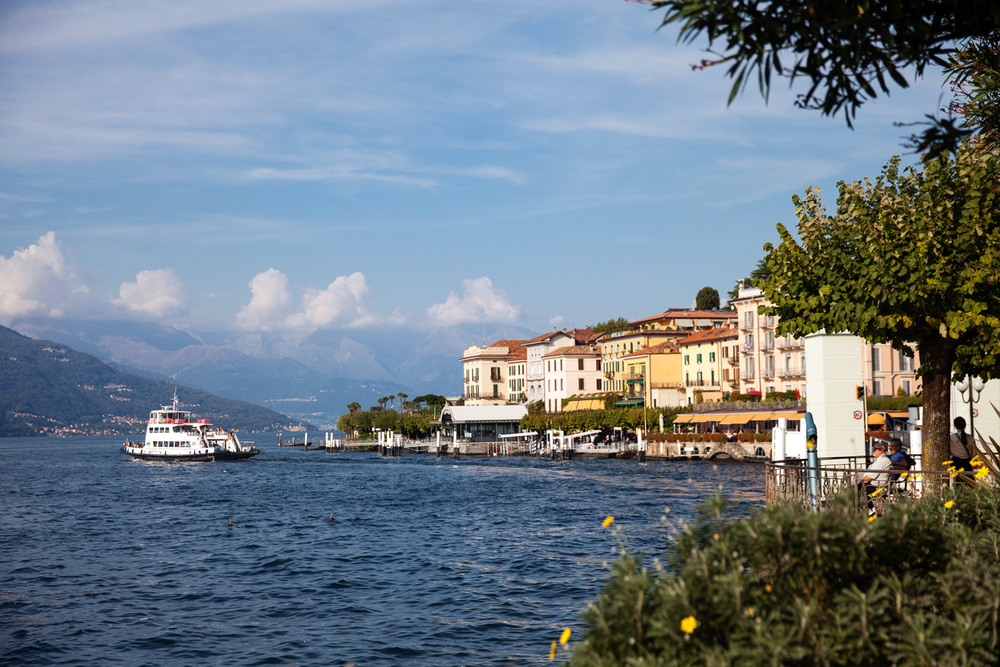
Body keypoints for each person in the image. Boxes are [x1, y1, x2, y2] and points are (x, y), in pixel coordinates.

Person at [857, 441, 892, 513]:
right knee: (856, 489)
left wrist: (859, 484)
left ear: (881, 451)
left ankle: (861, 510)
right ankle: (869, 509)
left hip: (877, 486)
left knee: (854, 490)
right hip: (875, 484)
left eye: (875, 449)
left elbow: (868, 478)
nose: (873, 450)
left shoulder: (882, 461)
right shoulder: (880, 460)